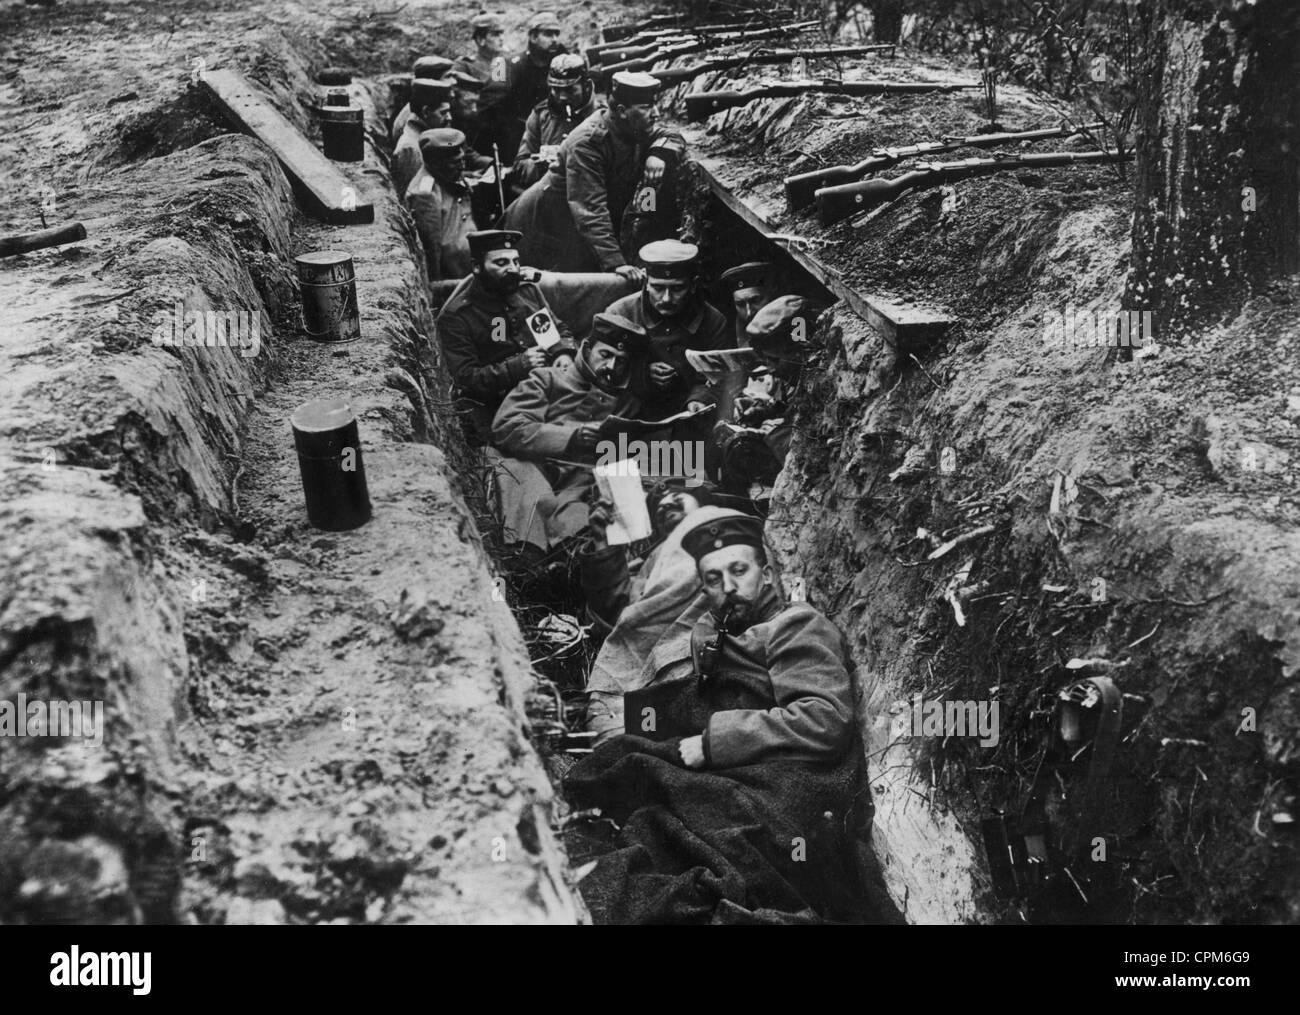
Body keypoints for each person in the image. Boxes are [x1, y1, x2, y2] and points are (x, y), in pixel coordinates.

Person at [562, 514, 871, 924]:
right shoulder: (714, 629)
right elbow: (702, 699)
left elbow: (823, 721)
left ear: (766, 574)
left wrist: (714, 744)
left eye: (739, 570)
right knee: (633, 774)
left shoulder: (795, 626)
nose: (727, 586)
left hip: (798, 780)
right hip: (748, 767)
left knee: (705, 826)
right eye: (712, 578)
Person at [489, 313, 647, 558]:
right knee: (532, 497)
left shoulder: (626, 403)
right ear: (586, 348)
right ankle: (523, 560)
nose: (611, 367)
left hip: (576, 485)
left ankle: (567, 565)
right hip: (529, 467)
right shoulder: (546, 379)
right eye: (605, 355)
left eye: (621, 361)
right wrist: (572, 436)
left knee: (580, 523)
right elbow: (507, 427)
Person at [503, 71, 685, 276]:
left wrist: (658, 153)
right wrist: (615, 263)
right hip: (538, 228)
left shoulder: (630, 125)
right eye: (647, 107)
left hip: (571, 225)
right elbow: (590, 209)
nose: (656, 113)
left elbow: (671, 134)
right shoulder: (587, 143)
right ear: (622, 111)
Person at [436, 229, 576, 445]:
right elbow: (466, 378)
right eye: (501, 263)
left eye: (516, 262)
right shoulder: (458, 316)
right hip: (499, 408)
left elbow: (552, 333)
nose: (513, 270)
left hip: (544, 391)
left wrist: (562, 353)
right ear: (477, 267)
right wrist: (517, 366)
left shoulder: (527, 293)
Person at [605, 239, 729, 423]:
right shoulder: (620, 313)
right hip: (630, 413)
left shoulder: (713, 321)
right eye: (658, 287)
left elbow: (717, 377)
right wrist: (641, 374)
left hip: (687, 416)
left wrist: (699, 399)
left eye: (677, 288)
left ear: (694, 284)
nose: (666, 298)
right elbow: (600, 369)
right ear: (646, 282)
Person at [713, 295, 817, 498]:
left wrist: (774, 434)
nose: (770, 368)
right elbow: (792, 404)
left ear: (800, 350)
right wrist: (765, 411)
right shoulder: (798, 371)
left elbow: (812, 447)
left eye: (774, 360)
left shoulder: (822, 378)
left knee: (740, 447)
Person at [511, 53, 600, 193]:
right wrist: (540, 165)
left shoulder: (602, 116)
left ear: (586, 85)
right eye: (556, 90)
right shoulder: (541, 115)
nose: (562, 97)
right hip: (550, 196)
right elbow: (520, 165)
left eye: (570, 90)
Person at [405, 128, 478, 282]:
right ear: (437, 163)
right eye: (456, 163)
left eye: (463, 160)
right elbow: (432, 251)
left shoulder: (445, 176)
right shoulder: (425, 194)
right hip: (456, 280)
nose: (462, 167)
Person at [498, 11, 569, 159]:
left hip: (556, 132)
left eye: (557, 34)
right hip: (521, 137)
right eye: (548, 34)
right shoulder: (510, 65)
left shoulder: (563, 62)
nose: (555, 39)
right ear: (533, 36)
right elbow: (493, 108)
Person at [453, 12, 510, 156]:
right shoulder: (465, 65)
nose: (501, 39)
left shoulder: (502, 63)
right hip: (476, 133)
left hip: (502, 131)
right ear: (480, 39)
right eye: (495, 34)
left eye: (502, 33)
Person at [392, 77, 455, 196]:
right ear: (426, 112)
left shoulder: (423, 137)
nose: (449, 117)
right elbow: (413, 197)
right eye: (443, 113)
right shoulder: (411, 148)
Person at [390, 56, 454, 145]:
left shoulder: (436, 104)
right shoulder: (414, 117)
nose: (454, 81)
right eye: (448, 76)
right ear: (432, 80)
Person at [719, 261, 774, 346]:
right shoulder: (727, 332)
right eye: (740, 304)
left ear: (771, 293)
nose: (749, 312)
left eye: (755, 300)